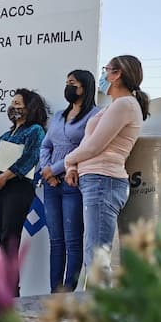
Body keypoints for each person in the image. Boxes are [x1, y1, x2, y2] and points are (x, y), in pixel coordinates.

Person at [64, 55, 149, 285]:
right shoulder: (114, 106)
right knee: (92, 253)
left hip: (104, 181)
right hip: (96, 180)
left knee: (96, 257)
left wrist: (67, 161)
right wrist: (73, 165)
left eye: (106, 70)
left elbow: (94, 146)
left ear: (117, 74)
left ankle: (99, 315)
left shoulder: (125, 105)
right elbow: (87, 143)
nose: (103, 76)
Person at [39, 69, 98, 293]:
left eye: (72, 83)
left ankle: (69, 292)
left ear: (85, 87)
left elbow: (85, 150)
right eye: (67, 82)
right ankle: (55, 293)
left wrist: (54, 169)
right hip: (51, 185)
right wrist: (47, 171)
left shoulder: (95, 116)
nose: (68, 86)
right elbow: (46, 145)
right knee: (56, 240)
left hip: (74, 183)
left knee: (73, 241)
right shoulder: (58, 116)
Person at [0, 88, 48, 295]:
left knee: (12, 236)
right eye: (13, 103)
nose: (14, 107)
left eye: (19, 103)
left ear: (30, 107)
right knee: (3, 234)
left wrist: (4, 176)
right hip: (1, 187)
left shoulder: (36, 131)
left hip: (19, 187)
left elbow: (29, 158)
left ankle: (12, 290)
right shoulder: (6, 134)